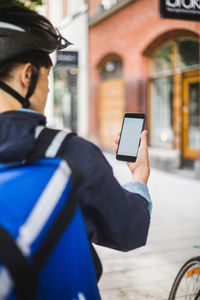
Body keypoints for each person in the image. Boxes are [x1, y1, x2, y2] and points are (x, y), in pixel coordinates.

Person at [0, 4, 151, 290]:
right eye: (46, 77)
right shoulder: (71, 154)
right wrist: (139, 178)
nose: (46, 90)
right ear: (27, 75)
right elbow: (129, 229)